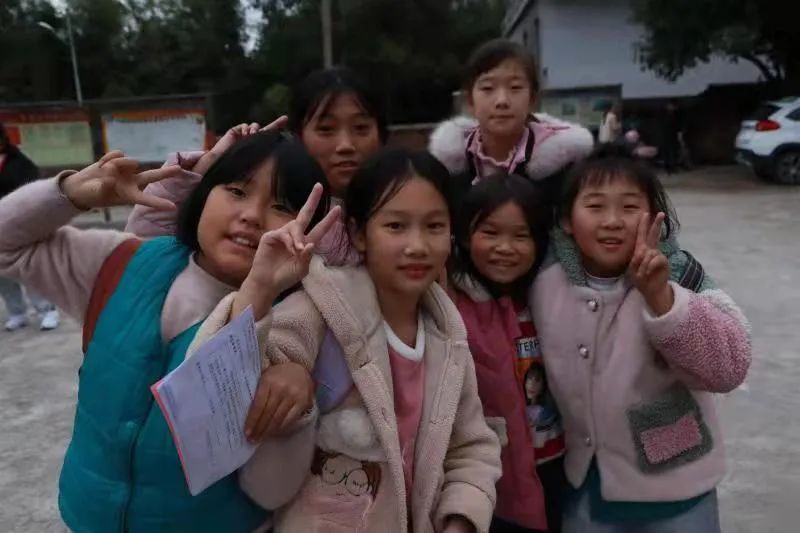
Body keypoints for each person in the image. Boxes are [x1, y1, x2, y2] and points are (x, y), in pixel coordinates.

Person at [0, 130, 340, 531]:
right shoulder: (120, 263)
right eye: (236, 191)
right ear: (203, 194)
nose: (251, 215)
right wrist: (73, 192)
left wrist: (292, 407)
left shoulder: (296, 327)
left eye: (282, 206)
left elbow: (270, 491)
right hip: (87, 517)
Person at [193, 147, 503, 532]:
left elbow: (471, 447)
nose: (417, 246)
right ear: (358, 233)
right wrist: (260, 288)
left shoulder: (447, 334)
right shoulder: (320, 311)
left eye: (434, 226)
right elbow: (216, 386)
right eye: (396, 226)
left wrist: (461, 519)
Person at [531, 146, 751, 532]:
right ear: (566, 219)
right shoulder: (545, 283)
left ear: (654, 216)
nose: (612, 221)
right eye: (595, 206)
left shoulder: (680, 272)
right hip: (586, 496)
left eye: (630, 207)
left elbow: (729, 367)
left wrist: (661, 298)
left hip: (678, 497)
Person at [126, 66, 386, 266]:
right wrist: (211, 167)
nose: (345, 145)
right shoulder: (270, 215)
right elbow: (144, 256)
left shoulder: (402, 203)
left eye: (361, 128)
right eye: (326, 129)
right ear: (298, 135)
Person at [447, 174, 564, 532]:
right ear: (464, 236)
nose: (505, 247)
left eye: (521, 236)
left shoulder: (547, 300)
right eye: (490, 232)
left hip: (554, 463)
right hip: (491, 477)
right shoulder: (453, 306)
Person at [428, 38, 594, 208]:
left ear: (532, 99)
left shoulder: (566, 167)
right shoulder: (447, 168)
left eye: (515, 88)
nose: (502, 101)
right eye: (487, 88)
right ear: (470, 100)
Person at [0, 123, 60, 331]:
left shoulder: (19, 162)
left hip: (17, 223)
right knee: (2, 273)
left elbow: (32, 192)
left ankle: (47, 310)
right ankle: (17, 312)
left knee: (28, 267)